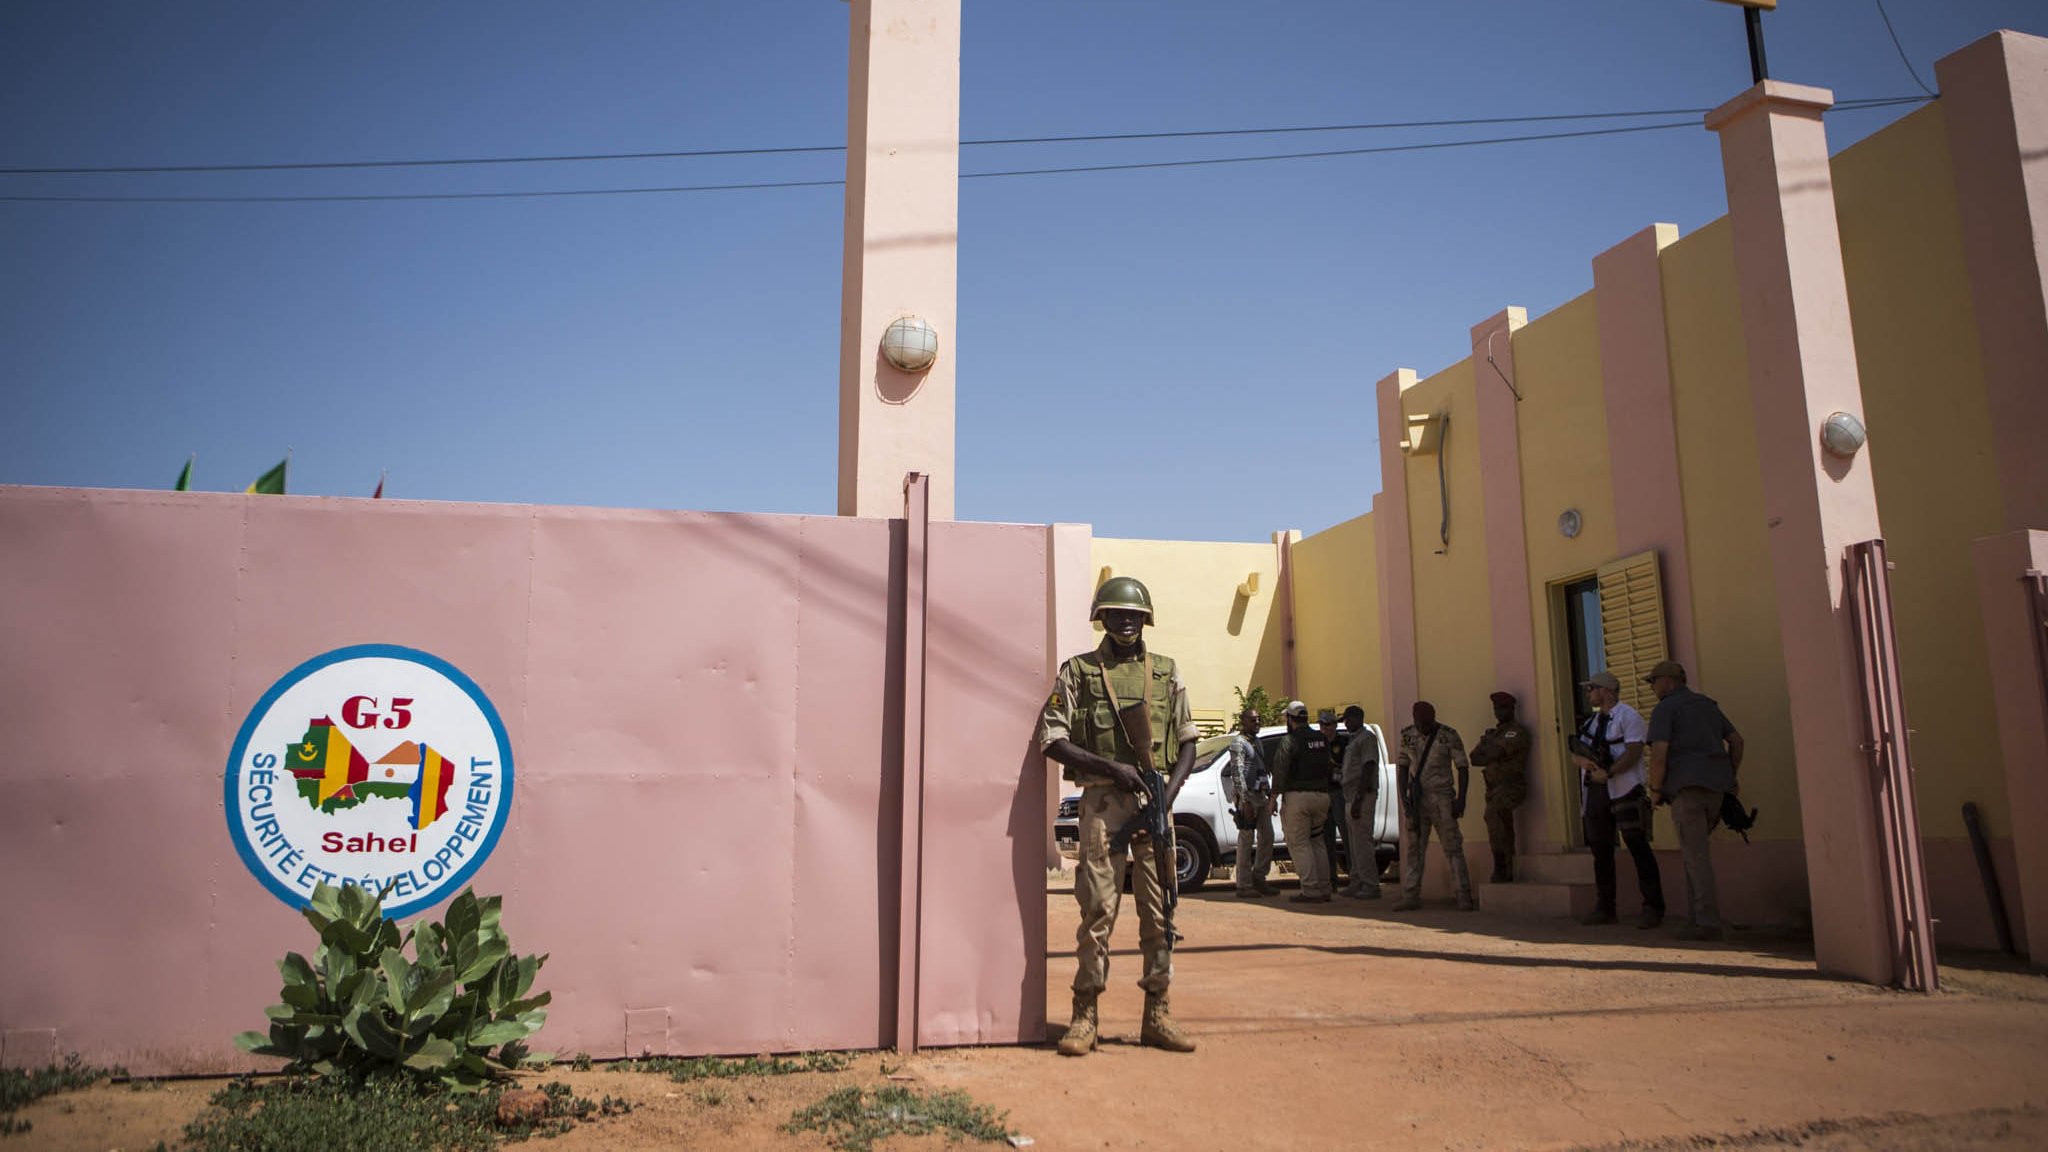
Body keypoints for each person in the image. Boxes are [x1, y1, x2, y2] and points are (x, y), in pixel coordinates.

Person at [1037, 576, 1199, 1055]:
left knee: (1160, 910)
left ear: (1145, 619)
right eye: (1116, 613)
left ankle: (1158, 1013)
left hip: (1157, 803)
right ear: (1101, 618)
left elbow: (1188, 743)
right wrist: (1113, 769)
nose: (1126, 621)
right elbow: (1052, 740)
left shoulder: (1166, 673)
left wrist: (1165, 799)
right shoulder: (1079, 672)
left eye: (1134, 614)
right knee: (1098, 909)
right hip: (1103, 804)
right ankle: (1084, 1014)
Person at [1644, 660, 1744, 942]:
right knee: (1694, 854)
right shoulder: (1707, 705)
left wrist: (1655, 790)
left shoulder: (1666, 708)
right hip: (1716, 789)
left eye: (1654, 681)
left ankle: (1707, 922)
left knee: (1696, 856)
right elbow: (1737, 741)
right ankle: (1696, 919)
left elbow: (1659, 754)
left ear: (1669, 681)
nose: (1652, 687)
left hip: (1687, 789)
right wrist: (1730, 776)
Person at [1571, 671, 1664, 928]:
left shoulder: (1628, 716)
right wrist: (1585, 763)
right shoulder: (1591, 723)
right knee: (1600, 850)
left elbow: (1634, 752)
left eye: (1592, 688)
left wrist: (1609, 772)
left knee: (1637, 847)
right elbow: (1575, 753)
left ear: (1607, 691)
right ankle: (1605, 906)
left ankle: (1653, 908)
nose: (1588, 693)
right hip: (1597, 791)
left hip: (1625, 788)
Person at [1391, 701, 1476, 912]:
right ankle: (1410, 895)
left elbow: (1463, 767)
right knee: (1414, 849)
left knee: (1452, 846)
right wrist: (1404, 798)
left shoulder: (1448, 735)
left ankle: (1463, 895)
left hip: (1441, 798)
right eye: (1419, 723)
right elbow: (1402, 767)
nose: (1423, 727)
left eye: (1426, 723)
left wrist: (1461, 799)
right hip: (1416, 798)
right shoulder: (1408, 735)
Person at [1271, 700, 1335, 903]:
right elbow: (1330, 766)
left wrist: (1273, 798)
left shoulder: (1290, 741)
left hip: (1298, 798)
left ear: (1290, 719)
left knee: (1299, 844)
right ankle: (1325, 888)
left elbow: (1280, 770)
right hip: (1322, 797)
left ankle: (1310, 890)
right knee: (1317, 841)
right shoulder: (1322, 739)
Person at [1467, 691, 1531, 883]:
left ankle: (1501, 867)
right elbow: (1475, 758)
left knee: (1493, 817)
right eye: (1496, 708)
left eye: (1502, 708)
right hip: (1493, 789)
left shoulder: (1515, 731)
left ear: (1511, 709)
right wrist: (1488, 746)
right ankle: (1507, 867)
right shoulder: (1495, 734)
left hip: (1511, 785)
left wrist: (1488, 746)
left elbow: (1493, 753)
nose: (1498, 712)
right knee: (1501, 827)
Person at [1222, 708, 1278, 898]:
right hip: (1247, 797)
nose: (1257, 723)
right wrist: (1244, 800)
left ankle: (1259, 877)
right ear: (1243, 721)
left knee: (1267, 836)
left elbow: (1263, 769)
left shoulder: (1257, 742)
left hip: (1261, 795)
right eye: (1253, 720)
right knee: (1246, 839)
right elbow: (1237, 773)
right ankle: (1243, 884)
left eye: (1258, 719)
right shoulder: (1238, 743)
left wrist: (1270, 795)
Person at [1338, 705, 1382, 899]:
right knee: (1354, 843)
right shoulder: (1353, 739)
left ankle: (1371, 885)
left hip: (1361, 796)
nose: (1346, 723)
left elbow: (1368, 767)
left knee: (1363, 843)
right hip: (1350, 796)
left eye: (1348, 719)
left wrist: (1358, 798)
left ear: (1358, 718)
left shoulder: (1367, 739)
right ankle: (1357, 881)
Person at [1319, 708, 1349, 888]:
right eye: (1322, 724)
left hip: (1340, 792)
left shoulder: (1344, 742)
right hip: (1323, 793)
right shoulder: (1318, 744)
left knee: (1346, 836)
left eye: (1329, 724)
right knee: (1325, 839)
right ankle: (1331, 878)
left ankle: (1354, 875)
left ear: (1335, 725)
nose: (1325, 728)